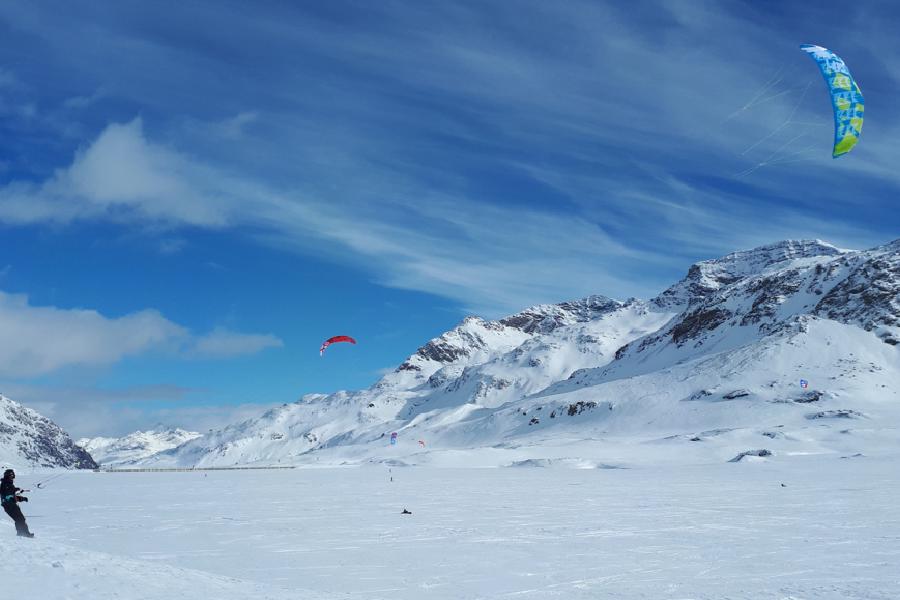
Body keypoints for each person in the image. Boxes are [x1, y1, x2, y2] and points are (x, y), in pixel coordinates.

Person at [1, 469, 33, 538]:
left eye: (13, 475)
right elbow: (9, 495)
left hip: (10, 505)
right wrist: (17, 491)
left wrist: (22, 498)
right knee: (20, 519)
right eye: (11, 475)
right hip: (9, 505)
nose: (12, 477)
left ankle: (21, 533)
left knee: (19, 519)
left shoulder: (8, 484)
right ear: (7, 476)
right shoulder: (5, 484)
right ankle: (25, 534)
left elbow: (12, 496)